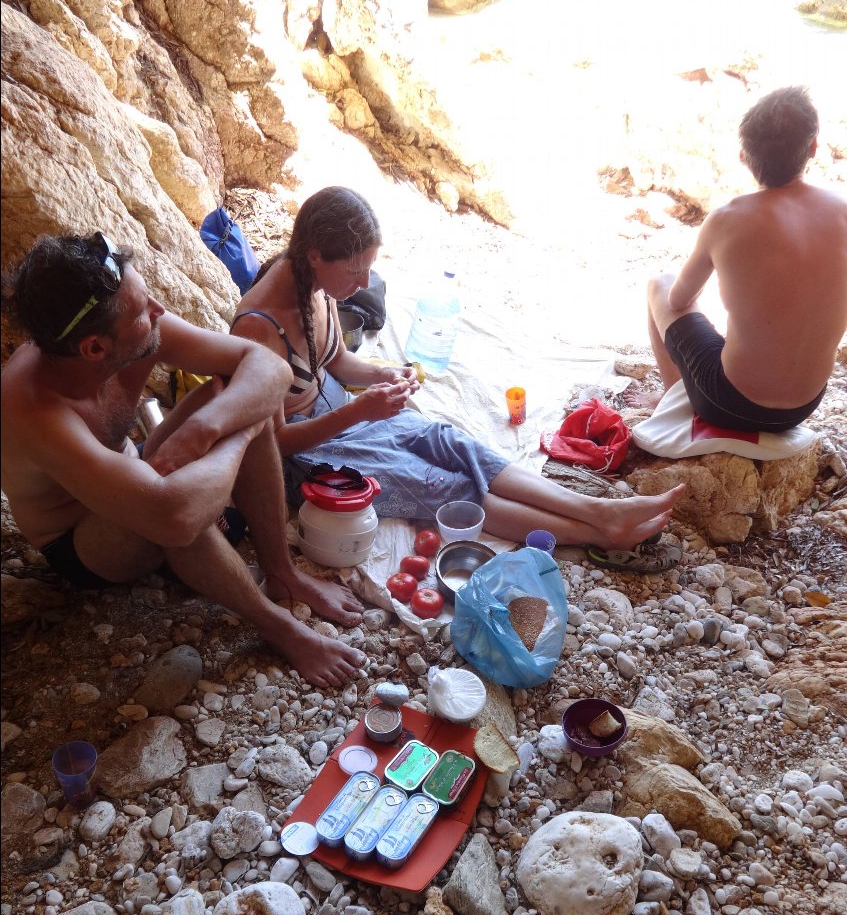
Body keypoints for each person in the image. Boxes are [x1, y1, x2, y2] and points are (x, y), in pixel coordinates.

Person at [1, 233, 366, 687]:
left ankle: (282, 573)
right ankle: (279, 626)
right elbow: (174, 516)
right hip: (83, 542)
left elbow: (269, 367)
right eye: (141, 310)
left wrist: (205, 428)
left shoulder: (128, 332)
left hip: (136, 477)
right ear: (94, 348)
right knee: (186, 495)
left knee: (230, 397)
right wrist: (238, 430)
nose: (158, 310)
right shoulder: (33, 408)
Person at [231, 186, 685, 551]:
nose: (365, 283)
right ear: (315, 254)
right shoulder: (259, 328)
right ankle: (600, 533)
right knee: (443, 485)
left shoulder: (317, 283)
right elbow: (274, 442)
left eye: (369, 267)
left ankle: (595, 509)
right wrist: (358, 412)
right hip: (304, 456)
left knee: (446, 440)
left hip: (343, 418)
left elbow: (335, 360)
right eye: (355, 270)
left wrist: (383, 375)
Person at [642, 86, 847, 432]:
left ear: (743, 156)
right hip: (805, 406)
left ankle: (674, 400)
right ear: (813, 147)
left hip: (729, 404)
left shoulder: (727, 219)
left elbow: (679, 300)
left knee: (659, 285)